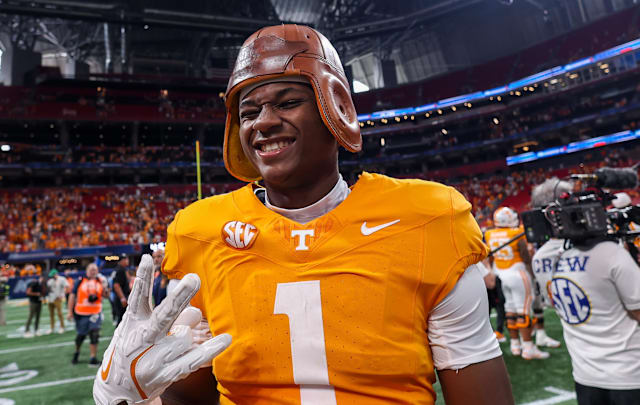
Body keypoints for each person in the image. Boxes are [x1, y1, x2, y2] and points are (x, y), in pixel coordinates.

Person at [94, 24, 513, 405]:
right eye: (249, 112)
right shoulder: (202, 232)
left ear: (337, 108)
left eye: (288, 101)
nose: (264, 123)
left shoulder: (426, 219)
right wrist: (127, 399)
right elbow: (193, 399)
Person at [531, 177, 640, 405]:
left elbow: (554, 303)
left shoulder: (542, 258)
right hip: (629, 373)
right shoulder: (610, 253)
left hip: (585, 374)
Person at [484, 206, 549, 360]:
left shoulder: (489, 233)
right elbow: (525, 256)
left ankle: (515, 345)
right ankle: (528, 347)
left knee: (510, 311)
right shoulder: (516, 233)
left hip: (500, 273)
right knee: (523, 311)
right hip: (517, 272)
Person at [67, 263, 107, 365]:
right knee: (81, 336)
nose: (93, 271)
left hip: (95, 312)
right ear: (87, 270)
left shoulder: (100, 281)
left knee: (94, 334)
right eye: (91, 269)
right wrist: (69, 311)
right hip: (81, 313)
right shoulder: (80, 281)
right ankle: (77, 352)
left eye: (95, 269)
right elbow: (72, 296)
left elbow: (106, 295)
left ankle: (93, 357)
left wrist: (105, 287)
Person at [111, 254, 132, 326]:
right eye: (126, 259)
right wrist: (122, 298)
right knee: (122, 319)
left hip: (119, 297)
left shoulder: (118, 269)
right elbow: (116, 285)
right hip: (121, 297)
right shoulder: (120, 270)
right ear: (122, 260)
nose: (127, 261)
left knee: (123, 318)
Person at [46, 269, 68, 333]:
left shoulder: (62, 279)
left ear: (56, 274)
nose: (52, 277)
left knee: (59, 313)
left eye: (53, 275)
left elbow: (67, 287)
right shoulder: (49, 281)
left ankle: (62, 327)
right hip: (50, 299)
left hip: (57, 298)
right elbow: (49, 290)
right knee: (51, 314)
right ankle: (52, 328)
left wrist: (62, 295)